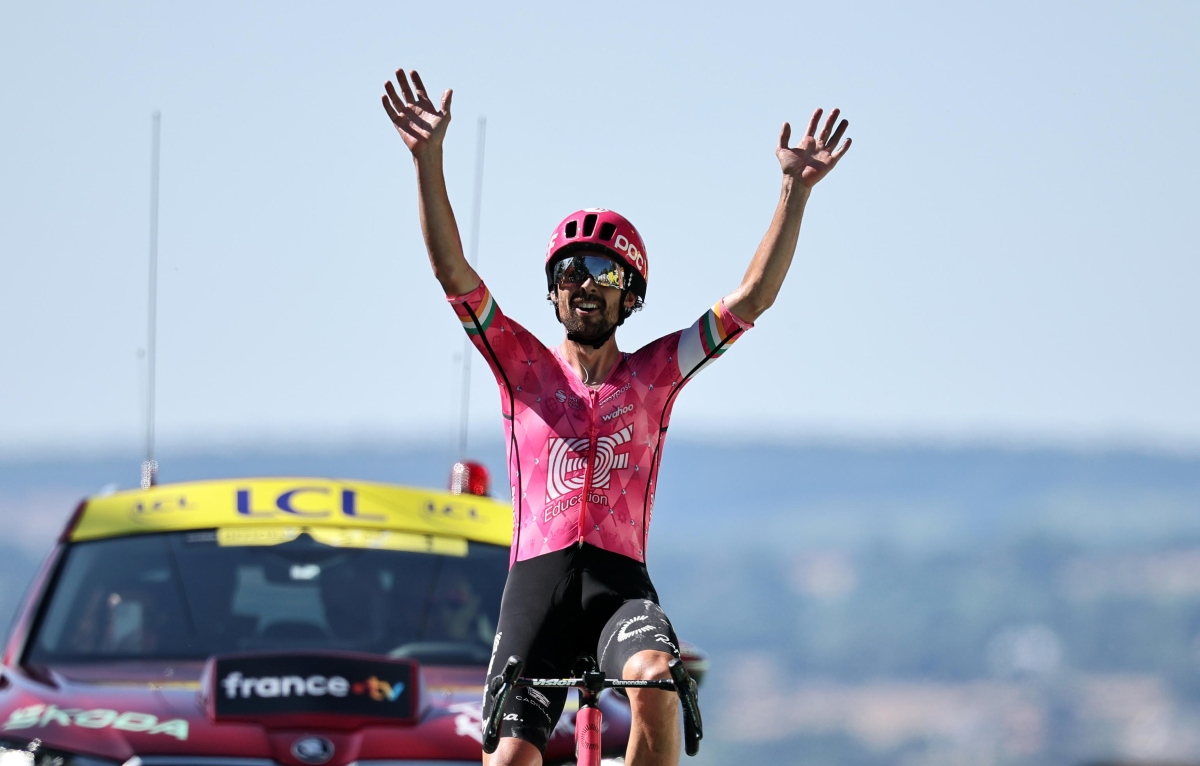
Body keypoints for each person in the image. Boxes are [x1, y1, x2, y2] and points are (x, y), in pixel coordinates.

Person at [381, 68, 851, 766]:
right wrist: (428, 160)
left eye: (604, 274)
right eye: (570, 272)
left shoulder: (654, 374)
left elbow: (750, 300)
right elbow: (456, 277)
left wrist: (794, 190)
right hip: (536, 591)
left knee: (658, 681)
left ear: (630, 296)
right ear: (552, 292)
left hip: (618, 587)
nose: (584, 285)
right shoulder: (521, 365)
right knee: (510, 760)